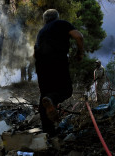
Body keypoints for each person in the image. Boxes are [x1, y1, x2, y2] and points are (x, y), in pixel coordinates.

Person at [34, 9, 84, 137]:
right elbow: (78, 36)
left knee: (44, 95)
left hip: (41, 66)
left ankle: (48, 133)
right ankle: (51, 99)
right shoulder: (61, 23)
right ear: (57, 17)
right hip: (57, 61)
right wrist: (80, 53)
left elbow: (36, 51)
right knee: (66, 90)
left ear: (45, 20)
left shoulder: (41, 32)